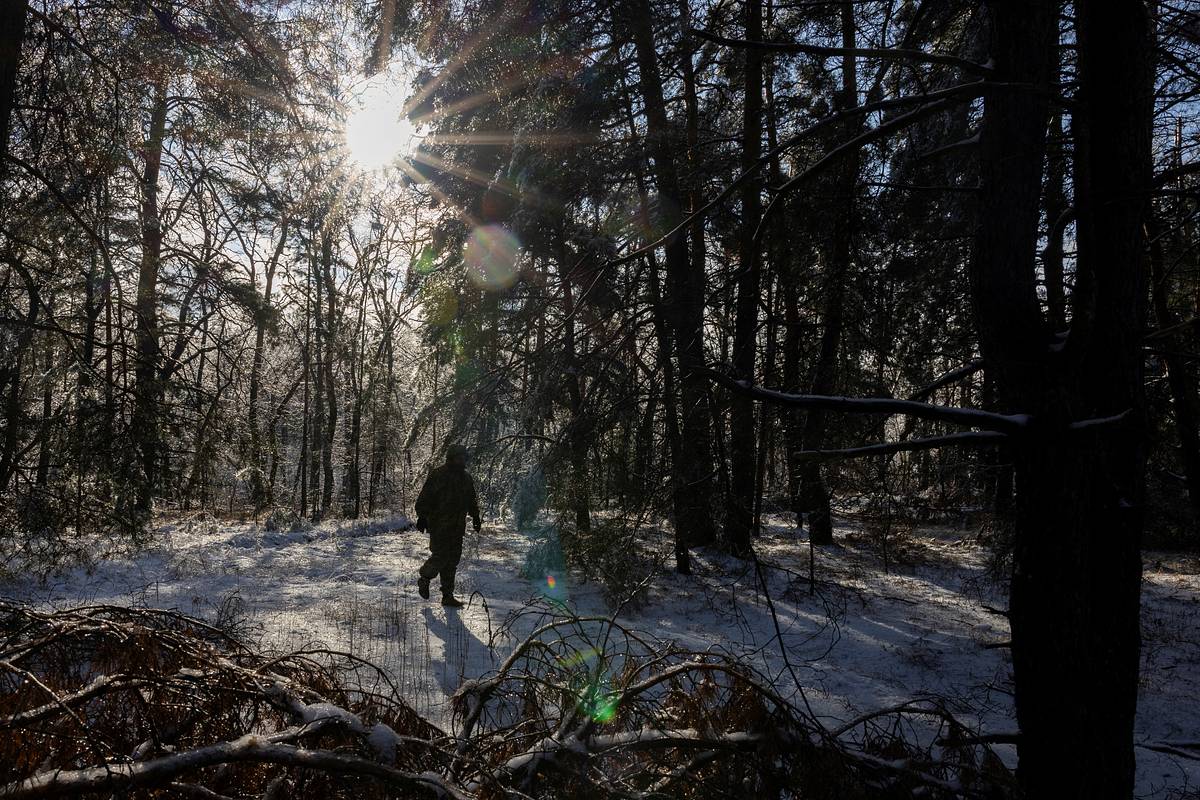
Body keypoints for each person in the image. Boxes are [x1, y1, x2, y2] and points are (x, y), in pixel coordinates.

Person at [414, 444, 481, 607]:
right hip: (439, 525)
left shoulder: (466, 478)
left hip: (457, 527)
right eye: (459, 457)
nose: (461, 460)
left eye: (463, 457)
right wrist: (422, 517)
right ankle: (425, 577)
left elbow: (471, 499)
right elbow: (425, 497)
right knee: (441, 556)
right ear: (451, 457)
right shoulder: (439, 474)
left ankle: (447, 596)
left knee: (452, 560)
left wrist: (476, 516)